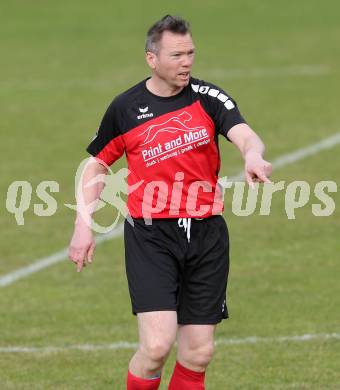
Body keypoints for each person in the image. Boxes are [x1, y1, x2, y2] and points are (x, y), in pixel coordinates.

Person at [68, 15, 272, 390]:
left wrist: (253, 156)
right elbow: (96, 163)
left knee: (198, 353)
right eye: (177, 55)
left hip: (207, 233)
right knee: (157, 346)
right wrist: (84, 224)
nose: (187, 62)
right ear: (151, 58)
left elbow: (245, 135)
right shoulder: (126, 108)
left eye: (191, 52)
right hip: (152, 236)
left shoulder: (208, 98)